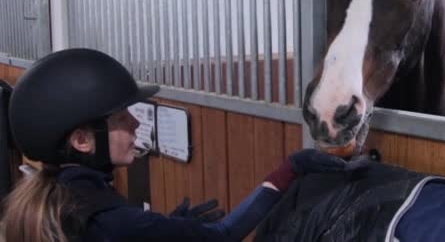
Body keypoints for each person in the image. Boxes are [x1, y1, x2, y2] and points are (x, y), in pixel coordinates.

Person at [0, 48, 360, 242]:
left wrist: (163, 228)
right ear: (81, 140)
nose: (136, 123)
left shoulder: (56, 200)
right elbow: (223, 235)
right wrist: (290, 168)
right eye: (121, 119)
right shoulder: (112, 221)